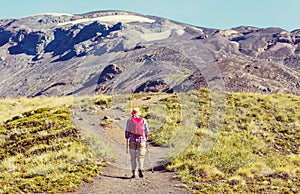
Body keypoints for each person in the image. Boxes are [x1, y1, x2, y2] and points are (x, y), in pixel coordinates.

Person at [125, 107, 149, 178]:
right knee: (141, 156)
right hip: (141, 141)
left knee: (133, 157)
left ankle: (134, 173)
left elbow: (127, 131)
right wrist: (146, 138)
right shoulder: (143, 120)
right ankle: (140, 168)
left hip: (132, 141)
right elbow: (147, 130)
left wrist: (127, 137)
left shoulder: (129, 120)